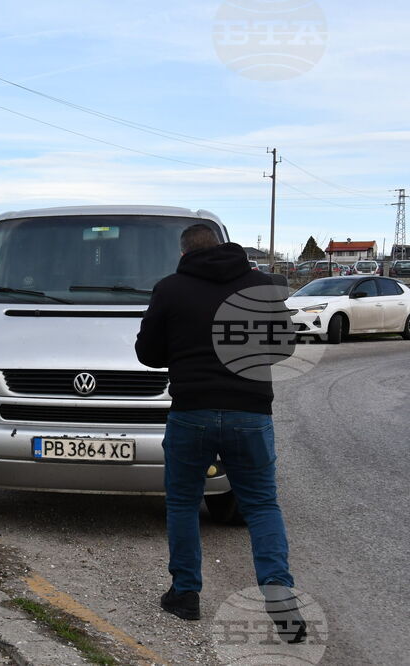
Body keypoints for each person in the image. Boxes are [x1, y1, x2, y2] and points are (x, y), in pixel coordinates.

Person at [135, 224, 305, 642]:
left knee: (183, 503)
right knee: (261, 505)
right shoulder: (260, 286)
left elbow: (147, 354)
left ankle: (185, 594)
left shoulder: (170, 288)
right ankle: (280, 595)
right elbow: (284, 345)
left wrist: (182, 347)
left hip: (191, 411)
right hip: (251, 412)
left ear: (184, 254)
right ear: (223, 246)